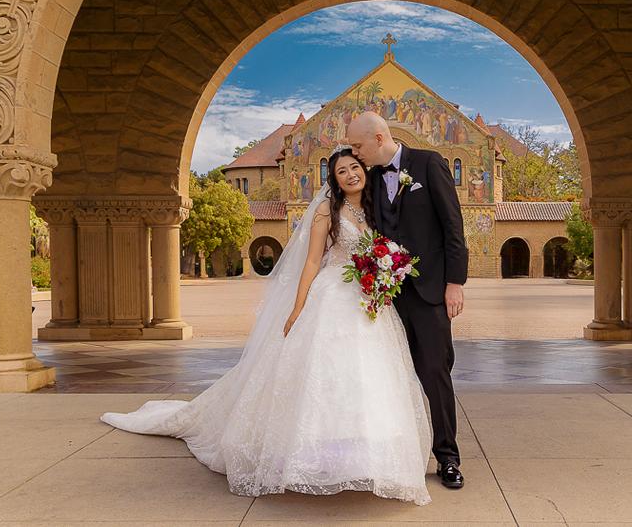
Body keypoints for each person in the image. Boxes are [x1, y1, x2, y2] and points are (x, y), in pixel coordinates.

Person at [101, 148, 431, 505]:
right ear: (333, 180)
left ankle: (364, 455)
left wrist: (386, 271)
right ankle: (309, 454)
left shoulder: (377, 208)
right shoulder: (326, 211)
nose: (350, 175)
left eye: (355, 168)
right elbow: (310, 263)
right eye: (341, 172)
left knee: (368, 376)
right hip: (332, 294)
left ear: (364, 171)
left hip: (368, 301)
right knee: (324, 372)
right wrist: (297, 308)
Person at [347, 111, 468, 490]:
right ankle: (396, 456)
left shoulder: (430, 165)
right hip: (386, 297)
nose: (354, 153)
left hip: (430, 291)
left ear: (379, 138)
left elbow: (453, 226)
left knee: (435, 372)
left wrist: (455, 283)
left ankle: (447, 458)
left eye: (357, 145)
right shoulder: (367, 180)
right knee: (389, 376)